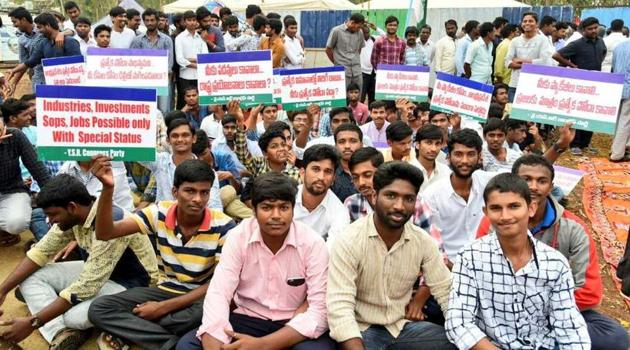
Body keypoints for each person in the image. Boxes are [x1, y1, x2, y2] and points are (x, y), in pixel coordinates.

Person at [476, 155, 630, 350]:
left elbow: (589, 293)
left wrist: (538, 310)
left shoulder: (573, 228)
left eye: (541, 181)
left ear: (551, 187)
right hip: (502, 308)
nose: (533, 187)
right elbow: (482, 278)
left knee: (615, 338)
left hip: (559, 311)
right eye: (526, 180)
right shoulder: (494, 222)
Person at [88, 158, 236, 350]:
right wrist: (108, 189)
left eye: (204, 192)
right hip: (165, 289)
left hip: (201, 295)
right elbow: (105, 233)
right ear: (175, 192)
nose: (198, 199)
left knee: (201, 314)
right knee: (98, 309)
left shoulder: (224, 226)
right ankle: (170, 343)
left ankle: (135, 330)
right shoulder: (159, 212)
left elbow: (219, 284)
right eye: (190, 191)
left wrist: (163, 308)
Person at [177, 172, 335, 350]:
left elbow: (319, 310)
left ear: (293, 209)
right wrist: (215, 342)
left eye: (284, 208)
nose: (276, 215)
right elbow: (219, 293)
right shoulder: (239, 236)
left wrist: (263, 345)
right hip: (247, 318)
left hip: (293, 323)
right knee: (188, 345)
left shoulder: (312, 243)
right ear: (254, 210)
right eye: (267, 208)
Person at [0, 174, 159, 349]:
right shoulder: (75, 216)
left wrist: (33, 323)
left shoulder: (111, 219)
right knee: (29, 278)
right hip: (96, 272)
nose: (49, 220)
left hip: (132, 284)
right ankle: (60, 332)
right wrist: (2, 291)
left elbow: (87, 286)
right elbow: (40, 252)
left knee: (73, 317)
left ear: (72, 207)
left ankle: (61, 320)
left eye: (52, 215)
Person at [446, 173, 591, 350]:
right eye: (496, 208)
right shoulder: (470, 257)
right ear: (486, 212)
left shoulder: (555, 264)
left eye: (514, 206)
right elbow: (458, 322)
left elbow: (569, 326)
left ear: (531, 208)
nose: (505, 216)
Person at [327, 161, 455, 349]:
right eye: (391, 196)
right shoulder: (349, 240)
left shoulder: (422, 241)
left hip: (402, 327)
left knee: (455, 343)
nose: (399, 206)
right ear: (374, 195)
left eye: (408, 199)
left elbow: (446, 292)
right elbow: (339, 307)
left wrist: (463, 334)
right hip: (361, 330)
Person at [553, 17, 606, 156]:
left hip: (595, 84)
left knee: (591, 114)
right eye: (590, 29)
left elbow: (603, 54)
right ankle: (575, 144)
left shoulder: (601, 42)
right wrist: (573, 66)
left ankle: (586, 144)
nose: (594, 30)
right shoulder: (577, 44)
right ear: (583, 30)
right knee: (578, 114)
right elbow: (556, 55)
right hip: (579, 85)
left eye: (595, 27)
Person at [142, 119, 223, 210]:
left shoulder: (208, 172)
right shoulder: (160, 161)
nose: (180, 140)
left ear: (194, 138)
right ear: (168, 140)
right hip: (163, 220)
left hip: (194, 220)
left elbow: (215, 207)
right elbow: (132, 151)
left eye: (185, 135)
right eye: (175, 136)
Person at [0, 117, 50, 247]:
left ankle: (6, 228)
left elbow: (38, 169)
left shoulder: (15, 136)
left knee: (17, 223)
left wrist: (53, 198)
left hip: (12, 191)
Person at [292, 144, 349, 241]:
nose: (321, 177)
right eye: (315, 169)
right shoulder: (286, 198)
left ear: (334, 178)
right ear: (302, 173)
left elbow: (331, 250)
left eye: (328, 171)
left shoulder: (339, 212)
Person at [6, 13, 81, 86]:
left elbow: (78, 68)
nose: (38, 31)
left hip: (71, 86)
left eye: (39, 27)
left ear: (48, 25)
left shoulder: (70, 42)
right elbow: (29, 62)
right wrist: (13, 71)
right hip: (52, 86)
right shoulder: (43, 43)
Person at [192, 130, 252, 220]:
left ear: (210, 147)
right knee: (230, 196)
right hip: (204, 200)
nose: (200, 159)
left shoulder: (225, 157)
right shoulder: (191, 163)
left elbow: (238, 190)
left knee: (230, 193)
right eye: (197, 156)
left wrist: (230, 177)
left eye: (204, 154)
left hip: (226, 199)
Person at [130, 8, 175, 114]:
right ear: (144, 22)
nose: (149, 23)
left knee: (164, 109)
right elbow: (133, 61)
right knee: (147, 108)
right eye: (147, 20)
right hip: (144, 81)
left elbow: (170, 61)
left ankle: (163, 130)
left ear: (157, 21)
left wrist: (166, 77)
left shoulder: (166, 40)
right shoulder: (137, 40)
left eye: (152, 20)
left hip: (163, 80)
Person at [505, 12, 554, 102]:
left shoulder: (543, 40)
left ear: (537, 24)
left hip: (534, 84)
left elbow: (545, 62)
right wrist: (529, 64)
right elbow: (507, 62)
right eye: (525, 21)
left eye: (531, 21)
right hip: (515, 84)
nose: (527, 23)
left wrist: (520, 60)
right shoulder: (515, 41)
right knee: (512, 114)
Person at [175, 10, 209, 109]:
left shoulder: (200, 38)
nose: (192, 22)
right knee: (185, 104)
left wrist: (189, 59)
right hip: (185, 77)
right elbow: (180, 60)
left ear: (197, 22)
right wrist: (197, 65)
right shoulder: (179, 38)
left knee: (200, 104)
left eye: (194, 20)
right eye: (189, 20)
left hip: (200, 76)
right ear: (184, 22)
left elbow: (205, 57)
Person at [6, 7, 45, 91]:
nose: (14, 25)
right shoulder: (22, 40)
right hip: (38, 79)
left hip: (54, 74)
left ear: (23, 19)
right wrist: (14, 83)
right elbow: (23, 64)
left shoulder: (43, 30)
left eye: (14, 22)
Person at [326, 13, 366, 90]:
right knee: (342, 95)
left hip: (357, 70)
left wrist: (355, 59)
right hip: (342, 70)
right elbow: (328, 49)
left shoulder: (360, 32)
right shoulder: (336, 31)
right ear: (352, 22)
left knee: (357, 94)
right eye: (358, 27)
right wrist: (336, 63)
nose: (359, 29)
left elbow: (359, 49)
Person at [410, 124, 451, 192]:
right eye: (429, 143)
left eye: (437, 143)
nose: (433, 149)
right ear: (417, 145)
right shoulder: (406, 172)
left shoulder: (446, 171)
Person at [610, 39, 630, 162]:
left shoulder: (619, 46)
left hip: (617, 86)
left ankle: (616, 148)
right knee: (625, 121)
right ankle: (617, 154)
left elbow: (613, 68)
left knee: (619, 120)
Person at [360, 25, 377, 105]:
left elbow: (385, 36)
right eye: (365, 33)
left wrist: (376, 28)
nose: (367, 34)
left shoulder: (374, 39)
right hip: (362, 72)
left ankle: (372, 115)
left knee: (372, 97)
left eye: (368, 32)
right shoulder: (358, 40)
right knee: (361, 96)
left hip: (373, 72)